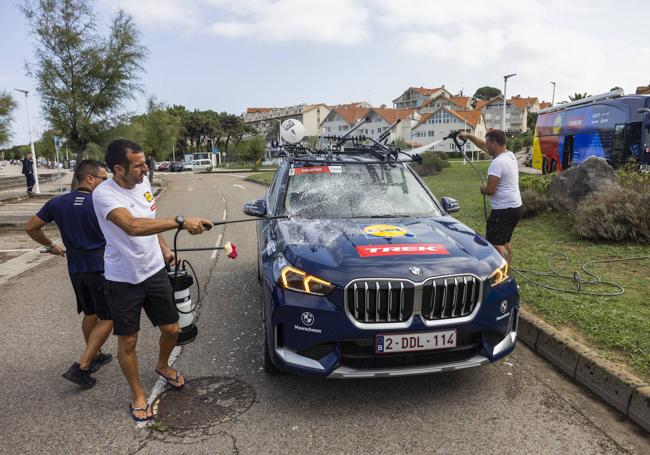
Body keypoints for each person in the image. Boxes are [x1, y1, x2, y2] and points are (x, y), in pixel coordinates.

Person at [92, 138, 213, 423]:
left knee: (172, 329)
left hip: (154, 270)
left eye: (145, 162)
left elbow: (148, 219)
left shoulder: (143, 184)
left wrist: (163, 247)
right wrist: (182, 221)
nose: (145, 168)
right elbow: (133, 226)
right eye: (138, 165)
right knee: (128, 341)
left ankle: (162, 365)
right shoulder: (104, 194)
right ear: (119, 169)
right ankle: (138, 395)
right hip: (123, 279)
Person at [24, 160, 113, 389]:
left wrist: (52, 244)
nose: (107, 182)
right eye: (104, 178)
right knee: (109, 317)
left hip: (75, 267)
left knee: (90, 312)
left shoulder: (57, 203)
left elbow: (31, 227)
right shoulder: (100, 203)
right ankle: (82, 366)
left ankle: (95, 353)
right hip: (99, 265)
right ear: (90, 179)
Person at [458, 129, 522, 264]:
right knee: (505, 241)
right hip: (515, 208)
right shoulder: (509, 155)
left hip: (503, 211)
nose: (485, 147)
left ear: (494, 143)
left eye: (488, 144)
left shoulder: (497, 163)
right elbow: (482, 144)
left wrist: (483, 188)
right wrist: (468, 136)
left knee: (495, 244)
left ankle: (504, 273)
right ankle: (508, 267)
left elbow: (491, 190)